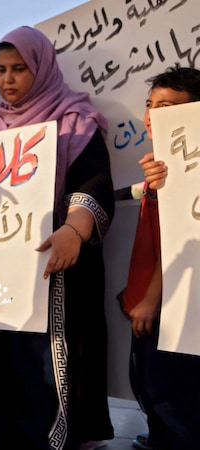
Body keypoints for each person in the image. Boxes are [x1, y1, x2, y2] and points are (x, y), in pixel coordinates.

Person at [0, 26, 114, 450]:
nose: (8, 80)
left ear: (41, 68)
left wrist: (75, 230)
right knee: (3, 381)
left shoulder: (75, 121)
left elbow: (92, 185)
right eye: (0, 70)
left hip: (55, 277)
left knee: (46, 388)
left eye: (19, 69)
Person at [124, 65, 200, 450]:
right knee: (152, 389)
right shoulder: (161, 162)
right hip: (155, 300)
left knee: (172, 397)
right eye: (150, 105)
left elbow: (187, 237)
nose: (152, 116)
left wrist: (153, 297)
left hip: (175, 304)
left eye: (167, 106)